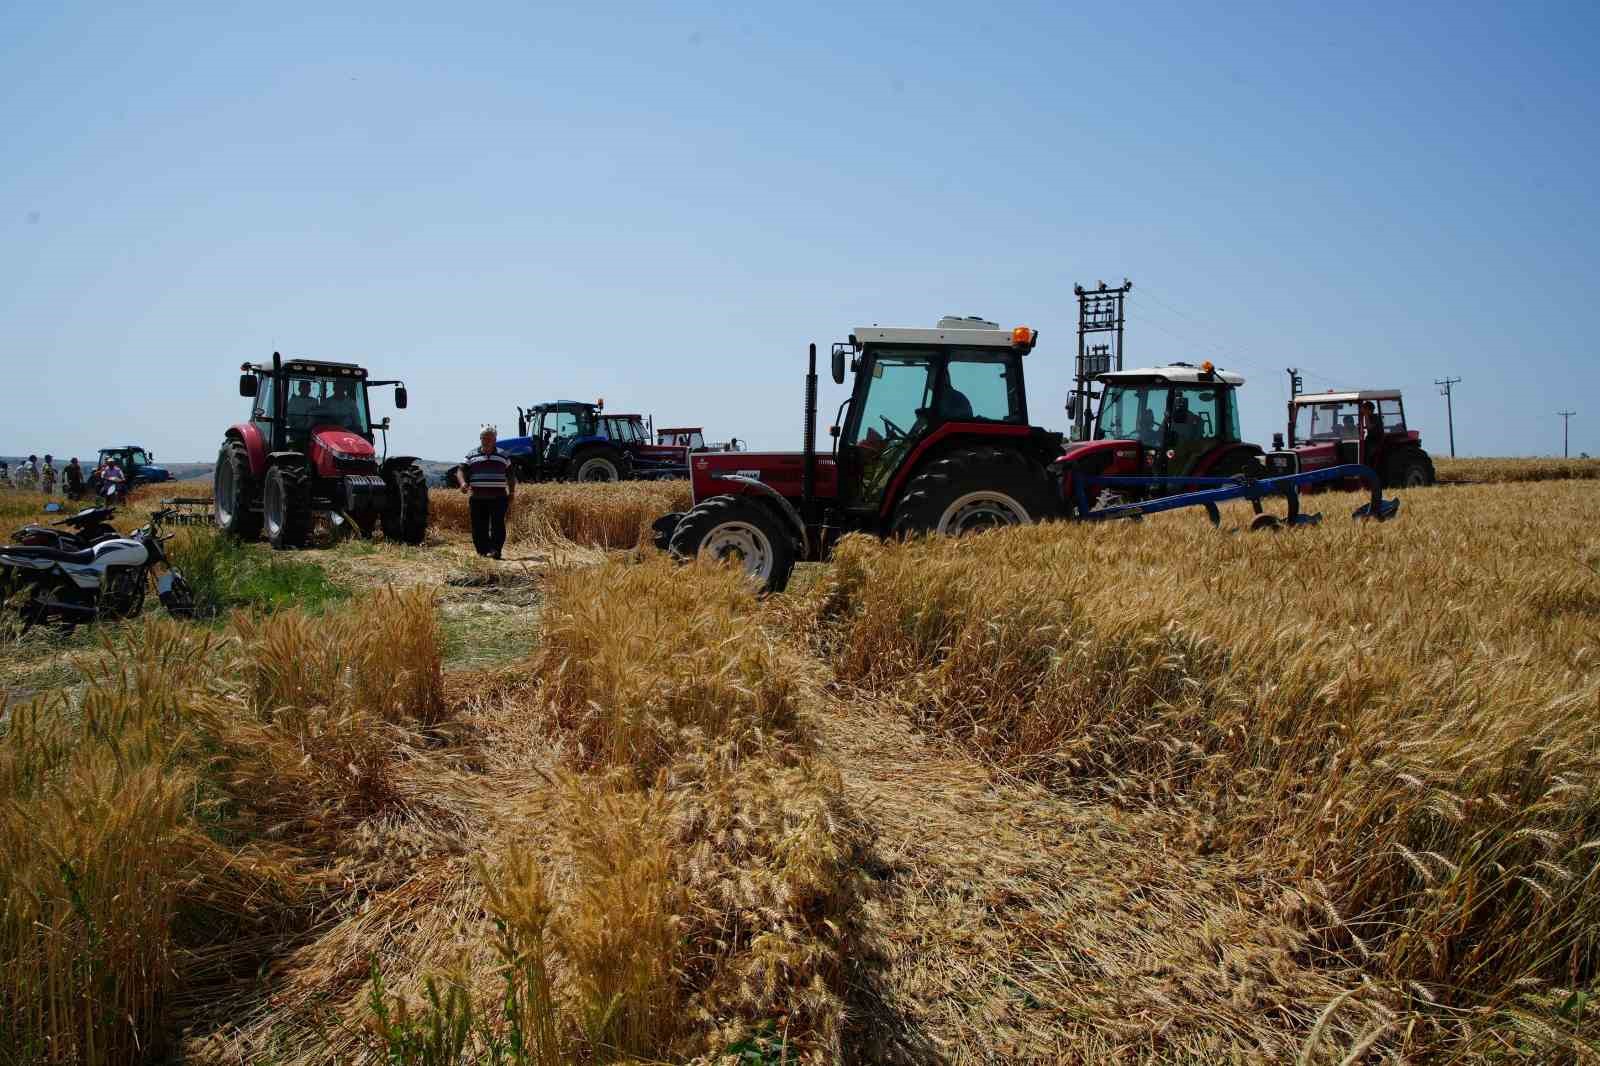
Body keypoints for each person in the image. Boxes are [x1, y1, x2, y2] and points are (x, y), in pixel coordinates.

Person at [456, 424, 516, 559]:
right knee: (479, 526)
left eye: (490, 438)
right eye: (484, 438)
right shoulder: (471, 455)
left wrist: (511, 492)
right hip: (478, 497)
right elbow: (460, 470)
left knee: (498, 525)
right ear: (480, 438)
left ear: (495, 439)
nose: (487, 440)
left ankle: (496, 551)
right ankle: (482, 551)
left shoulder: (503, 455)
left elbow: (511, 474)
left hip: (499, 497)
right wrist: (463, 483)